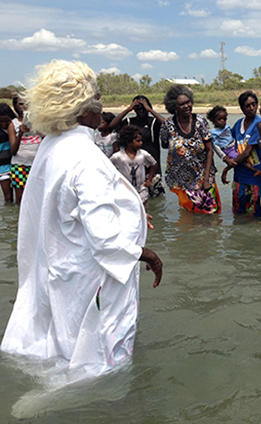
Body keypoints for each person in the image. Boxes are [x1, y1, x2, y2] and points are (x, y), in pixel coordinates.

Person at [0, 60, 163, 381]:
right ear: (80, 107)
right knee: (99, 358)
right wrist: (148, 255)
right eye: (97, 97)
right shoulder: (84, 156)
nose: (101, 105)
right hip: (89, 276)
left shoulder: (54, 145)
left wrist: (130, 212)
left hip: (62, 265)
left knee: (62, 339)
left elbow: (64, 203)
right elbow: (106, 239)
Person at [160, 84, 220, 214]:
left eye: (188, 102)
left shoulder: (200, 122)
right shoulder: (167, 125)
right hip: (182, 180)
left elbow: (209, 150)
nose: (186, 106)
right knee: (188, 217)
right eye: (182, 104)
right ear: (174, 107)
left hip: (203, 178)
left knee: (210, 214)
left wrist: (205, 179)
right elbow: (165, 145)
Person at [110, 95, 165, 197]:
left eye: (143, 108)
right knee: (134, 198)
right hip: (133, 169)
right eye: (138, 108)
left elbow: (167, 125)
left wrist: (150, 110)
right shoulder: (129, 122)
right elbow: (112, 126)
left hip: (152, 168)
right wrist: (128, 109)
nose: (141, 110)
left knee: (156, 200)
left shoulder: (153, 122)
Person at [230, 91, 261, 216]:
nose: (252, 108)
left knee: (256, 213)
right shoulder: (237, 125)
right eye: (247, 106)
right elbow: (230, 144)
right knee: (238, 212)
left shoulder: (259, 124)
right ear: (242, 108)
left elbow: (247, 153)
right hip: (240, 174)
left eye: (254, 104)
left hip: (256, 174)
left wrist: (228, 166)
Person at [207, 105, 261, 184]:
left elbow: (233, 136)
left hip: (234, 145)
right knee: (240, 159)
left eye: (224, 119)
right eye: (219, 119)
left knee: (245, 156)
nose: (222, 121)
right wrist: (224, 157)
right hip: (227, 149)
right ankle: (255, 170)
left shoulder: (227, 127)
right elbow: (215, 146)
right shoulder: (214, 132)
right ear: (213, 120)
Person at [110, 125, 157, 207]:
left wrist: (149, 179)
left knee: (143, 208)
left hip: (141, 189)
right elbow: (107, 168)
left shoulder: (143, 154)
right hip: (125, 190)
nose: (141, 143)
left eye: (141, 140)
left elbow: (154, 164)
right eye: (138, 141)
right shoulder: (118, 156)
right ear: (129, 142)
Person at [9, 111, 42, 206]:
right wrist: (20, 134)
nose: (23, 107)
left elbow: (47, 142)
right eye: (20, 104)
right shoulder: (13, 124)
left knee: (36, 197)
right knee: (20, 199)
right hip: (19, 165)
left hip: (36, 165)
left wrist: (40, 132)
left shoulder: (40, 123)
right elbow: (13, 151)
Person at [0, 103, 16, 203]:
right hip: (2, 167)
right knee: (8, 198)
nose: (4, 124)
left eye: (7, 121)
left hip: (16, 164)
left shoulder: (15, 127)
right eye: (0, 121)